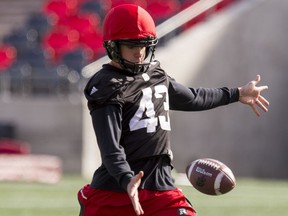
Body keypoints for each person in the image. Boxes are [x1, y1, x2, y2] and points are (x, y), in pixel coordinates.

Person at [78, 4, 269, 216]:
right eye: (132, 45)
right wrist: (126, 179)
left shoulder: (157, 76)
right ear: (113, 46)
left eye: (143, 45)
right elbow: (111, 149)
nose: (139, 53)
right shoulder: (107, 85)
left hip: (161, 186)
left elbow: (192, 98)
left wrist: (236, 93)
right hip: (114, 191)